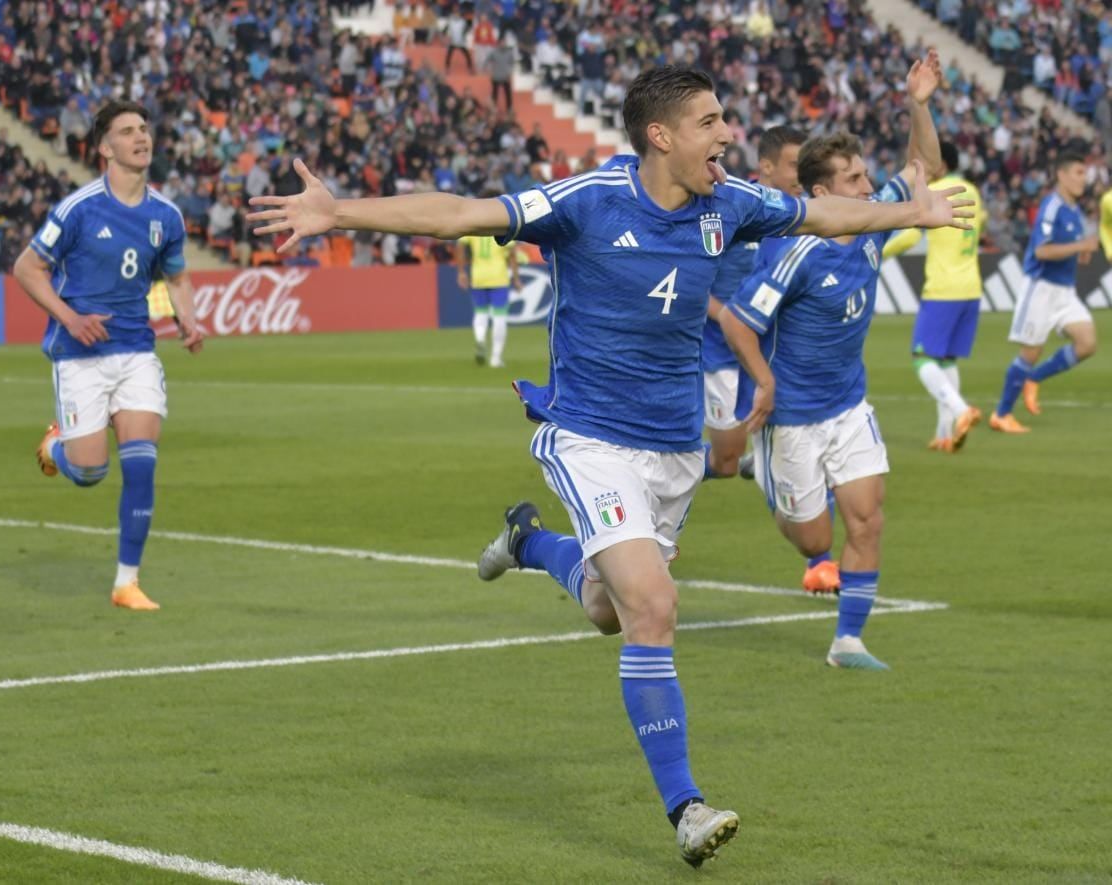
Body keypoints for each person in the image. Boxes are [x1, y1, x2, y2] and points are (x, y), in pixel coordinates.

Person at [245, 66, 969, 868]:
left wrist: (914, 208)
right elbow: (458, 214)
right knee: (655, 606)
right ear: (661, 135)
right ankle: (687, 806)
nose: (727, 135)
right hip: (590, 437)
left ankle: (527, 543)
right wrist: (339, 209)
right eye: (710, 121)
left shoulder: (728, 203)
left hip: (673, 449)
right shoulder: (588, 198)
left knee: (608, 608)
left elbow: (823, 213)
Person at [719, 58, 948, 670]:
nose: (869, 187)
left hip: (847, 405)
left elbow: (928, 169)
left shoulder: (873, 224)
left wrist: (918, 103)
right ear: (820, 194)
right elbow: (738, 321)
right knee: (815, 541)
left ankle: (848, 642)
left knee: (867, 521)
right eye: (853, 180)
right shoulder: (796, 255)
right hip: (791, 417)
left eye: (866, 175)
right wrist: (763, 382)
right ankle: (767, 477)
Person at [13, 101, 204, 611]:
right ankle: (56, 448)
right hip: (79, 355)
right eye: (127, 131)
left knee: (141, 465)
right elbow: (27, 268)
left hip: (136, 351)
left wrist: (188, 317)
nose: (141, 137)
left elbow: (177, 275)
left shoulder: (166, 214)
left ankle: (126, 583)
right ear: (105, 148)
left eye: (144, 129)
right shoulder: (79, 208)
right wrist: (70, 318)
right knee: (90, 472)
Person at [701, 125, 805, 481]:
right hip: (722, 352)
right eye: (794, 164)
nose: (801, 174)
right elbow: (693, 285)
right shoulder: (733, 210)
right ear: (767, 166)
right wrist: (733, 318)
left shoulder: (800, 216)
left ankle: (765, 460)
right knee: (725, 462)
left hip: (776, 354)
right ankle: (682, 462)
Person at [885, 139, 986, 452]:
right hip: (971, 287)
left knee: (922, 358)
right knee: (945, 359)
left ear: (940, 164)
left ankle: (961, 411)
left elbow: (913, 233)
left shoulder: (935, 190)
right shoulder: (973, 190)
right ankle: (944, 434)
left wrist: (878, 253)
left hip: (943, 288)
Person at [990, 150, 1099, 433]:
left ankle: (1033, 379)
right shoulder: (1052, 207)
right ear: (1061, 175)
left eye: (1084, 174)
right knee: (1030, 352)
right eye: (1078, 173)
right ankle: (1001, 414)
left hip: (1064, 291)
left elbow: (1070, 250)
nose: (1083, 179)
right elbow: (1041, 250)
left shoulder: (1075, 210)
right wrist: (1080, 247)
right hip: (1040, 289)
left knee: (1087, 343)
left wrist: (1082, 253)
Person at [457, 205, 520, 367]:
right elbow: (512, 256)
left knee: (481, 313)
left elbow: (460, 246)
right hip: (498, 277)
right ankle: (496, 358)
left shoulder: (474, 226)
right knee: (499, 317)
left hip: (478, 276)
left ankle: (480, 339)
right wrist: (517, 279)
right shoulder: (502, 226)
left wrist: (461, 271)